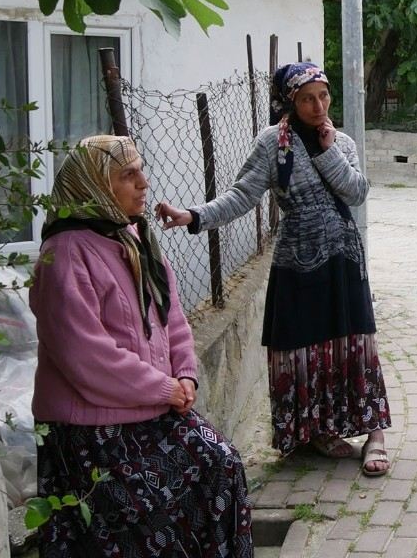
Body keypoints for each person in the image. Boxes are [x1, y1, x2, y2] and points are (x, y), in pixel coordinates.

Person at [155, 62, 392, 475]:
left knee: (356, 344)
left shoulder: (342, 142)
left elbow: (356, 192)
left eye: (323, 95)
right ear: (290, 102)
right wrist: (192, 216)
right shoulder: (272, 144)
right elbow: (241, 196)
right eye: (307, 99)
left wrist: (328, 148)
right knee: (301, 349)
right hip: (295, 263)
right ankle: (316, 432)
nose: (318, 106)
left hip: (342, 258)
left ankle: (374, 433)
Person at [31, 135, 253, 556]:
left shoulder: (133, 239)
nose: (144, 183)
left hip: (146, 409)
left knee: (221, 465)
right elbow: (86, 357)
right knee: (145, 519)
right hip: (91, 428)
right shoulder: (65, 253)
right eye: (128, 175)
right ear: (96, 186)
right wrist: (165, 388)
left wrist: (184, 373)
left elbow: (171, 318)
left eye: (141, 170)